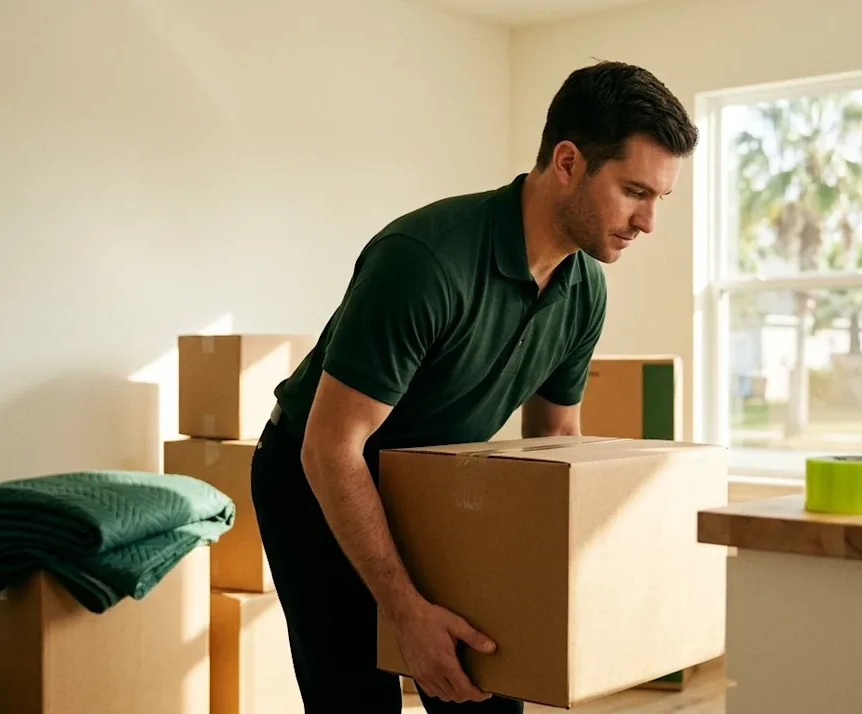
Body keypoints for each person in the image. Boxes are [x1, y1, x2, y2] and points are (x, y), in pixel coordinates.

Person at [248, 60, 698, 713]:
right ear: (567, 163)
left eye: (661, 199)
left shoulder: (584, 290)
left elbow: (556, 440)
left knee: (485, 691)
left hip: (438, 483)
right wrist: (405, 611)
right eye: (634, 191)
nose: (648, 223)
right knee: (356, 697)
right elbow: (330, 447)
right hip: (317, 475)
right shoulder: (425, 262)